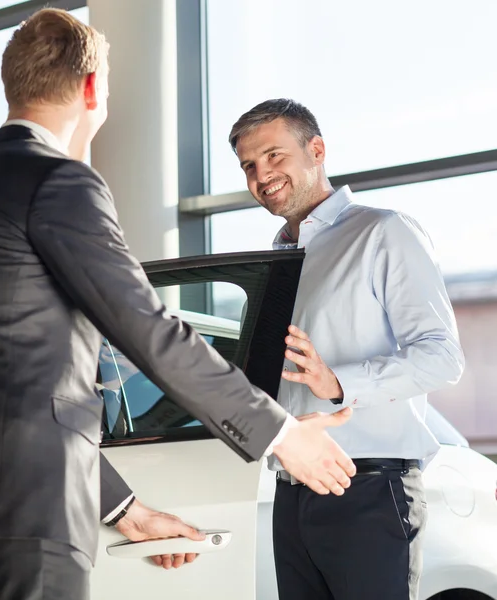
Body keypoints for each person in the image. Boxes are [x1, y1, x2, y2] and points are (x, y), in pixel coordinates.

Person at [0, 12, 357, 600]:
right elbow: (148, 330)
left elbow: (3, 385)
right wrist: (282, 435)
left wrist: (126, 511)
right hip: (28, 511)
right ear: (91, 88)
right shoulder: (58, 181)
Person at [229, 98, 465, 600]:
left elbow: (443, 357)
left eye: (274, 156)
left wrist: (340, 382)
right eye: (249, 165)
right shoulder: (275, 260)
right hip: (290, 494)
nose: (261, 174)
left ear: (316, 150)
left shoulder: (383, 231)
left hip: (370, 491)